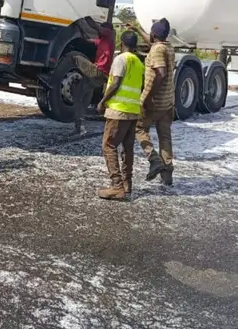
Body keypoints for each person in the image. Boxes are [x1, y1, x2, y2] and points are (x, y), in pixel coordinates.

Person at [96, 31, 143, 200]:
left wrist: (103, 101)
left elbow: (116, 83)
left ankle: (117, 186)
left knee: (109, 145)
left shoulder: (120, 59)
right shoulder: (138, 62)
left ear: (122, 43)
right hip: (133, 111)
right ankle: (127, 183)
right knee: (127, 148)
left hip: (118, 110)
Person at [134, 18, 176, 185]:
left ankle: (154, 160)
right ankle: (167, 175)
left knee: (139, 128)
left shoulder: (157, 50)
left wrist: (149, 97)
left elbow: (161, 73)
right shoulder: (167, 47)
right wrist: (137, 30)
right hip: (167, 102)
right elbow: (152, 43)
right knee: (165, 138)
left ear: (154, 34)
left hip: (155, 102)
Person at [71, 17, 116, 135]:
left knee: (74, 56)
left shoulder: (110, 35)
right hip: (98, 76)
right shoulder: (101, 41)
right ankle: (79, 125)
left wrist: (86, 17)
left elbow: (97, 28)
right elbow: (86, 39)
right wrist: (79, 26)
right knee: (82, 96)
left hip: (98, 72)